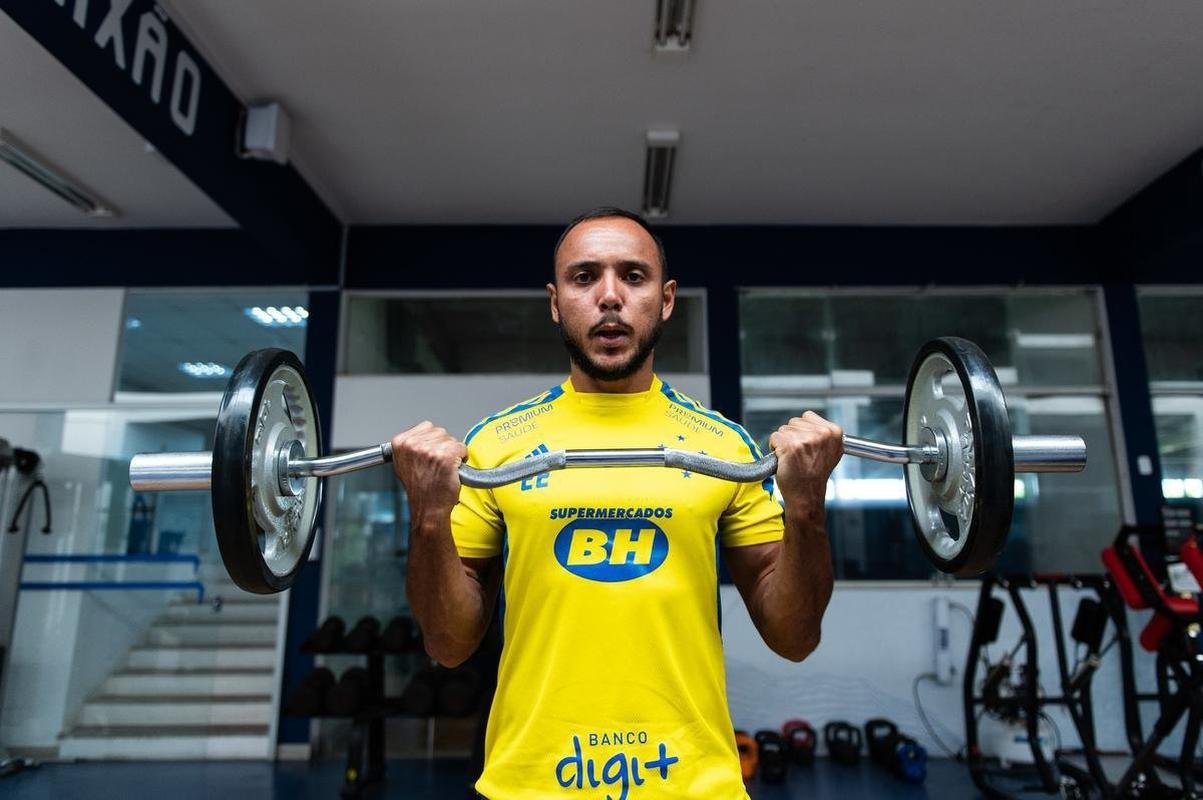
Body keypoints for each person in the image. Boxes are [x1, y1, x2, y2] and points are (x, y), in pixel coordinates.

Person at [391, 207, 840, 799]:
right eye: (584, 278)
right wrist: (427, 518)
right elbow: (448, 645)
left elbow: (794, 635)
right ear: (555, 303)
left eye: (633, 276)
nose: (609, 297)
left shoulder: (722, 445)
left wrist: (805, 508)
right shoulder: (496, 445)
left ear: (667, 298)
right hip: (531, 784)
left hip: (690, 786)